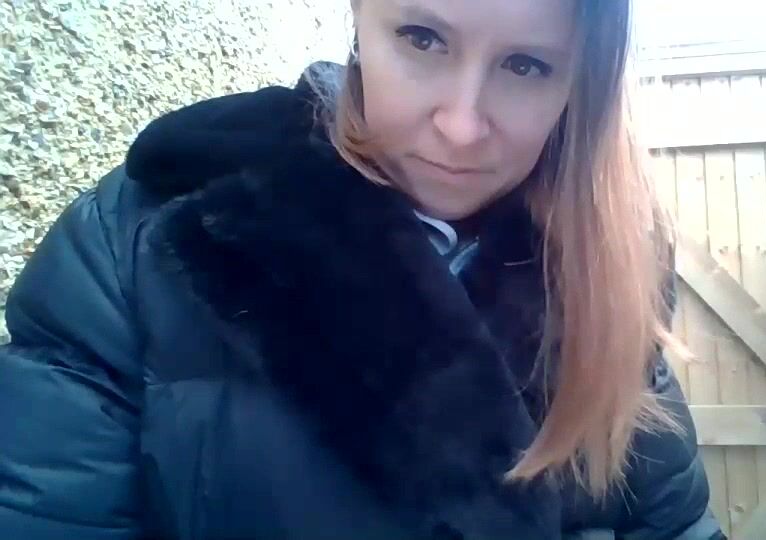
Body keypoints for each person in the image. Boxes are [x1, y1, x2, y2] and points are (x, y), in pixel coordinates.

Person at [0, 0, 725, 539]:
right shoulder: (142, 238)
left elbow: (668, 522)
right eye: (422, 38)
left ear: (578, 84)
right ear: (358, 20)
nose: (462, 125)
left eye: (525, 65)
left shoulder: (611, 267)